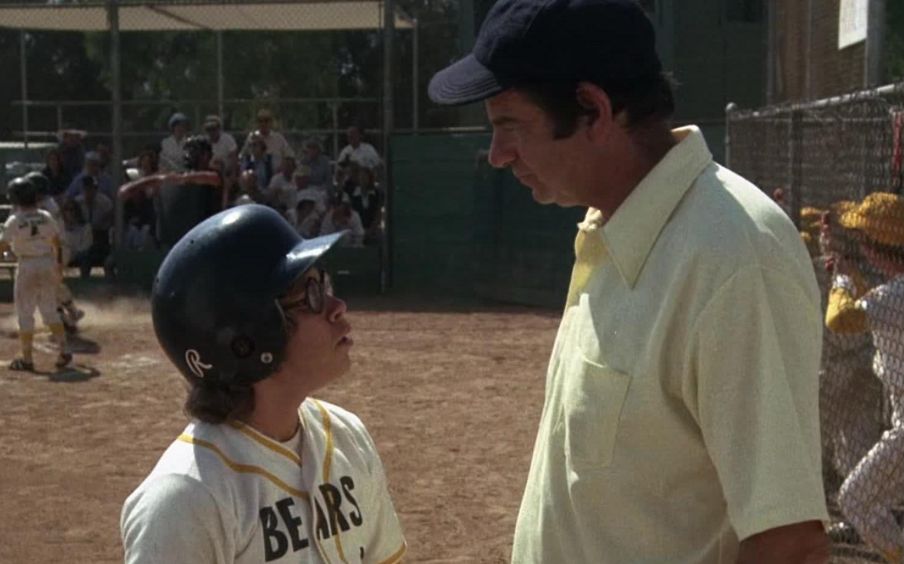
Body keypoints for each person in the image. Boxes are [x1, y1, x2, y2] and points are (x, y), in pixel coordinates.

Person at [428, 1, 829, 562]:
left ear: (593, 110)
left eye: (509, 126)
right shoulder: (614, 223)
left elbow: (790, 544)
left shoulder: (733, 256)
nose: (497, 155)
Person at [120, 204, 407, 564]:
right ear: (249, 337)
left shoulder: (347, 436)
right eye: (312, 294)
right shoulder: (187, 497)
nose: (337, 306)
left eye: (326, 284)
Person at [824, 192, 904, 563]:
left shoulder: (892, 295)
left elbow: (841, 320)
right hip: (897, 417)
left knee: (854, 500)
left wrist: (841, 279)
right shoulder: (892, 294)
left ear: (876, 249)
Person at [1, 176, 72, 371]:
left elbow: (3, 244)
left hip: (27, 265)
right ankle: (64, 350)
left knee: (25, 313)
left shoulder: (14, 219)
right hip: (47, 262)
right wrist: (57, 265)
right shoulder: (45, 215)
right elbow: (56, 241)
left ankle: (27, 359)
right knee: (49, 310)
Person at [119, 136, 225, 249]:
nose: (190, 154)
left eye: (194, 150)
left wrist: (179, 178)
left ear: (206, 155)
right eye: (189, 150)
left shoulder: (213, 174)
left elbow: (208, 179)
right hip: (186, 235)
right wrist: (133, 186)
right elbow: (159, 179)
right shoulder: (182, 175)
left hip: (210, 232)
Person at [25, 171, 85, 333]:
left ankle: (65, 319)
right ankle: (71, 312)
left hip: (56, 250)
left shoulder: (46, 206)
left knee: (46, 287)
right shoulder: (43, 204)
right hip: (53, 250)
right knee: (51, 285)